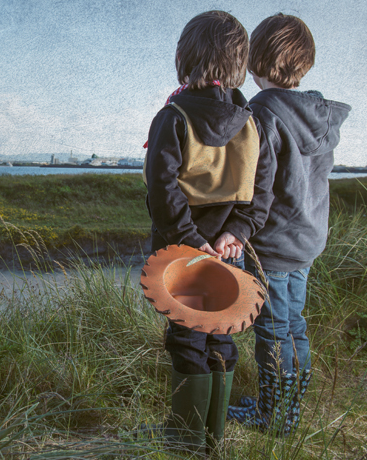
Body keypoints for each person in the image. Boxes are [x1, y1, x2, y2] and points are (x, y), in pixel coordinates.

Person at [142, 10, 275, 454]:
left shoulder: (173, 116)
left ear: (184, 58)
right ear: (240, 64)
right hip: (229, 251)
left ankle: (185, 441)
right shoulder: (253, 122)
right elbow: (262, 192)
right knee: (221, 334)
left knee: (186, 338)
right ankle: (213, 441)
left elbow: (162, 189)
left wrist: (189, 238)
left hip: (182, 254)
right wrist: (236, 232)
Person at [226, 13, 350, 436]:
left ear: (255, 61)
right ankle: (289, 406)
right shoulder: (317, 114)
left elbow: (252, 182)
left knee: (274, 330)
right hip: (308, 239)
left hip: (275, 244)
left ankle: (275, 416)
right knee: (294, 323)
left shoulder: (263, 113)